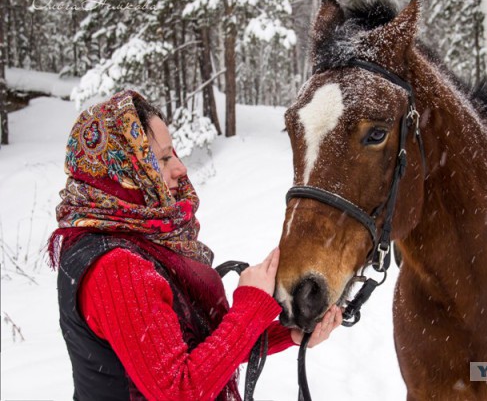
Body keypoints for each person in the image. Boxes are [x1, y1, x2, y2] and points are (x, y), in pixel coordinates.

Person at [48, 90, 342, 401]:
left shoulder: (118, 238)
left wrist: (289, 334)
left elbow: (195, 353)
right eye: (162, 158)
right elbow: (180, 390)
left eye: (173, 153)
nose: (180, 168)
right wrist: (251, 305)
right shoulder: (118, 267)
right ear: (124, 171)